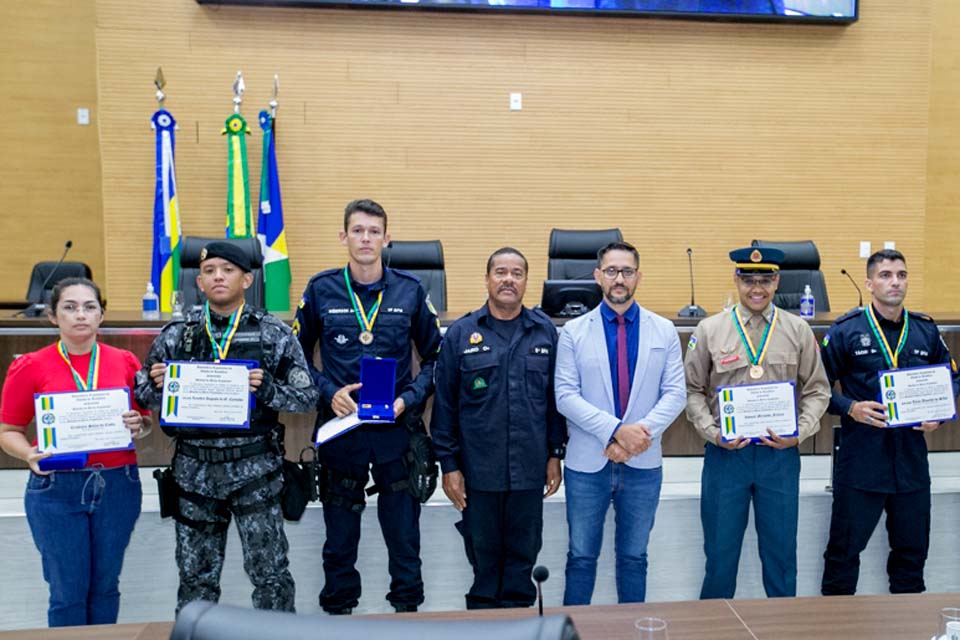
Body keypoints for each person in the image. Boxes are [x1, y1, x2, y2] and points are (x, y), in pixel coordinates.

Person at [134, 241, 318, 614]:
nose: (218, 277)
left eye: (228, 270)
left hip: (256, 474)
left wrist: (267, 389)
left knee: (270, 577)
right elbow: (141, 393)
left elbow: (307, 397)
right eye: (209, 271)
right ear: (199, 282)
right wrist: (156, 385)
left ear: (247, 279)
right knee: (195, 581)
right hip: (194, 475)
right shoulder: (177, 333)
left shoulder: (272, 333)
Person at [294, 198, 443, 614]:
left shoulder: (410, 290)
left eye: (374, 231)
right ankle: (339, 615)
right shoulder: (321, 289)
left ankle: (407, 615)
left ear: (386, 238)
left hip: (397, 431)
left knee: (404, 539)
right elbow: (296, 356)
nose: (365, 239)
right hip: (342, 429)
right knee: (339, 541)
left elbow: (438, 358)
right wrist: (328, 391)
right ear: (343, 236)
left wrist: (407, 399)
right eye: (357, 231)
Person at [0, 277, 150, 627]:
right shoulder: (30, 365)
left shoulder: (125, 361)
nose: (80, 314)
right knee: (67, 591)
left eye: (89, 307)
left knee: (105, 587)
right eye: (70, 307)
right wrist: (29, 455)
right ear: (53, 316)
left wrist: (139, 425)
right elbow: (7, 431)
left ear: (101, 315)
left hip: (118, 485)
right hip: (56, 487)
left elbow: (143, 424)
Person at [684, 246, 830, 600]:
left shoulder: (797, 329)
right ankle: (716, 626)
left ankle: (781, 626)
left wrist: (799, 433)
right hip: (725, 458)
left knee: (781, 560)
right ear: (736, 280)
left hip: (778, 458)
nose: (757, 288)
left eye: (765, 280)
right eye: (748, 280)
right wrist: (713, 434)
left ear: (777, 282)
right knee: (719, 559)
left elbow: (818, 390)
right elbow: (691, 390)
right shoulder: (709, 329)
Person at [431, 247, 566, 609]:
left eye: (517, 273)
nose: (509, 279)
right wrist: (449, 465)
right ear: (487, 279)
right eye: (501, 272)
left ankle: (518, 627)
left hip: (528, 470)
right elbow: (444, 406)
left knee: (522, 562)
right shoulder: (461, 334)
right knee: (484, 566)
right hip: (478, 473)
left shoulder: (544, 332)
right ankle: (483, 628)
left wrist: (555, 455)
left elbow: (555, 402)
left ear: (526, 281)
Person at [820, 249, 960, 596]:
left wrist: (939, 413)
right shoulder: (846, 330)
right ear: (869, 284)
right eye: (885, 275)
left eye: (901, 275)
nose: (895, 282)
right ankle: (836, 623)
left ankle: (908, 624)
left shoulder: (925, 330)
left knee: (911, 559)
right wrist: (850, 407)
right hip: (862, 463)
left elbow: (953, 378)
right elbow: (816, 388)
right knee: (842, 557)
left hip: (910, 464)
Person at [554, 241, 686, 605]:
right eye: (611, 271)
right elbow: (565, 396)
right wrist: (616, 431)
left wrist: (636, 437)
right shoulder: (573, 332)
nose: (619, 279)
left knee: (634, 558)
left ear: (638, 276)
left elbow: (676, 394)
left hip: (643, 463)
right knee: (581, 558)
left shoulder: (664, 330)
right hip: (587, 463)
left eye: (627, 271)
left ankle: (632, 628)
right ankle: (571, 628)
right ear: (598, 276)